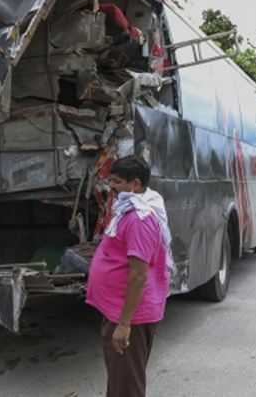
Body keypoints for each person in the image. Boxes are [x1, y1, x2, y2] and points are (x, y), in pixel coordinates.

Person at [86, 155, 172, 397]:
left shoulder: (139, 219)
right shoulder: (129, 210)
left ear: (135, 184)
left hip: (130, 317)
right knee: (120, 383)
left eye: (116, 182)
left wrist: (124, 325)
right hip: (119, 311)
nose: (111, 186)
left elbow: (138, 276)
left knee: (126, 388)